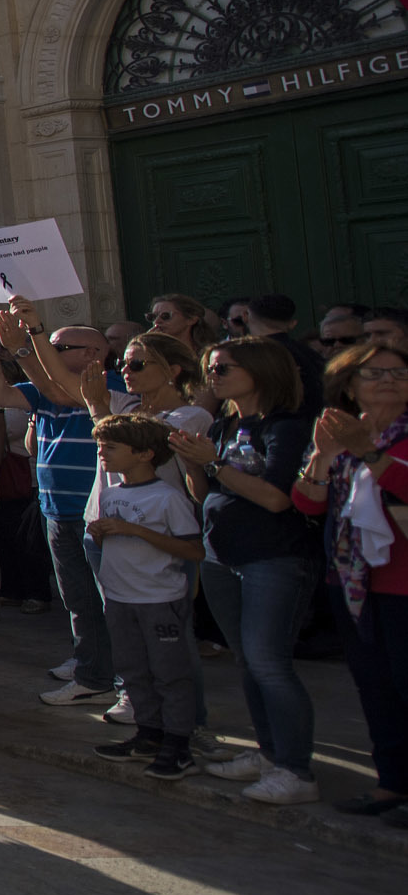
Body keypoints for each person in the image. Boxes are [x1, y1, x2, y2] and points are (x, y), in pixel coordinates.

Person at [172, 338, 321, 804]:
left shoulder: (286, 427)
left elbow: (276, 498)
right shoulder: (224, 424)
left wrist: (213, 462)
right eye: (211, 369)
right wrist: (192, 463)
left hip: (273, 557)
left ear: (261, 370)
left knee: (269, 663)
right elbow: (205, 493)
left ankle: (295, 770)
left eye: (224, 368)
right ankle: (269, 753)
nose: (213, 377)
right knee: (249, 662)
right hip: (222, 556)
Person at [296, 341, 408, 819]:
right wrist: (323, 457)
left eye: (398, 373)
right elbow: (308, 502)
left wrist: (369, 454)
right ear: (349, 385)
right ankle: (392, 783)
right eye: (374, 373)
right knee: (375, 686)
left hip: (403, 585)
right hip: (355, 584)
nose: (388, 381)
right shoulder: (341, 432)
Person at [86, 414, 208, 782]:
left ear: (144, 454)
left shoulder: (167, 497)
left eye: (111, 447)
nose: (102, 453)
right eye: (100, 446)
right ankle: (149, 734)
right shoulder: (110, 494)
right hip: (119, 597)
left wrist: (135, 530)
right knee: (132, 670)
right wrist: (102, 533)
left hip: (159, 599)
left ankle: (179, 744)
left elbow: (194, 550)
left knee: (170, 673)